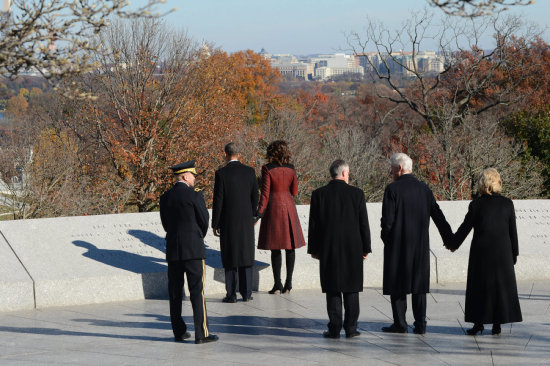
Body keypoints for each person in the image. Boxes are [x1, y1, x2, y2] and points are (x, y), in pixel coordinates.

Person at [380, 153, 452, 335]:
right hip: (419, 246)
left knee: (398, 285)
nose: (390, 172)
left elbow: (387, 221)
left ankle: (400, 324)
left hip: (397, 245)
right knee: (419, 286)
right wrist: (449, 239)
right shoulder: (424, 189)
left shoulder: (392, 190)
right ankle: (420, 324)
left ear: (400, 169)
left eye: (392, 168)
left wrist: (386, 239)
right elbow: (438, 215)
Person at [445, 168, 522, 336]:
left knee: (479, 287)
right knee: (500, 288)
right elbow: (512, 232)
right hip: (503, 254)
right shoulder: (507, 203)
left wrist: (452, 243)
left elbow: (464, 229)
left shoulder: (477, 204)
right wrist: (514, 254)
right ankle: (497, 325)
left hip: (482, 253)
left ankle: (478, 323)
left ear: (483, 183)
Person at [308, 160, 371, 339]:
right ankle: (351, 328)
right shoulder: (357, 194)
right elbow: (363, 224)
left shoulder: (319, 194)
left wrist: (314, 249)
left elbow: (314, 225)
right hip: (353, 248)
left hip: (328, 248)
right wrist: (366, 247)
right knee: (351, 289)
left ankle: (334, 328)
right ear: (344, 173)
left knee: (332, 288)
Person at [159, 160, 218, 344]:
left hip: (174, 250)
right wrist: (196, 236)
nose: (194, 178)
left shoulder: (165, 197)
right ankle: (202, 333)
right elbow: (203, 220)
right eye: (193, 175)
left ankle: (179, 331)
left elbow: (166, 224)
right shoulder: (195, 195)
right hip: (193, 249)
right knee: (196, 292)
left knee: (175, 293)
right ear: (185, 176)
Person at [212, 142, 259, 303]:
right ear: (239, 154)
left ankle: (231, 294)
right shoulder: (250, 172)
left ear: (225, 154)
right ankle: (246, 293)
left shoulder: (221, 174)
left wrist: (215, 223)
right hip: (246, 221)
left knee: (230, 256)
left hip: (228, 221)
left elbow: (218, 200)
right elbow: (255, 197)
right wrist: (254, 217)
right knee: (246, 255)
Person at [257, 140, 306, 294]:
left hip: (274, 207)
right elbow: (295, 191)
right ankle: (288, 284)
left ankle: (277, 284)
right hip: (289, 207)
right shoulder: (292, 168)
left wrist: (258, 213)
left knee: (275, 247)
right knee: (290, 247)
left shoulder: (267, 168)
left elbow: (265, 194)